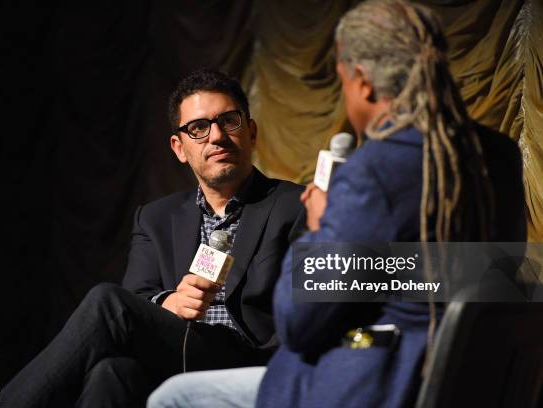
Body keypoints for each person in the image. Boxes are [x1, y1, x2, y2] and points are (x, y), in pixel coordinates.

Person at [146, 1, 526, 407]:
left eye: (342, 81)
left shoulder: (374, 170)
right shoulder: (498, 154)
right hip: (477, 378)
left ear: (361, 82)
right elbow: (486, 267)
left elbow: (298, 324)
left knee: (173, 398)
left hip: (384, 381)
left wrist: (319, 227)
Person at [0, 69, 304, 408]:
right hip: (179, 354)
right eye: (198, 128)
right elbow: (140, 297)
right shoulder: (155, 217)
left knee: (107, 303)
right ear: (179, 148)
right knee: (111, 372)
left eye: (228, 121)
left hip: (251, 360)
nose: (216, 136)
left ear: (251, 131)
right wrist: (166, 302)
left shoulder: (298, 206)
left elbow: (312, 312)